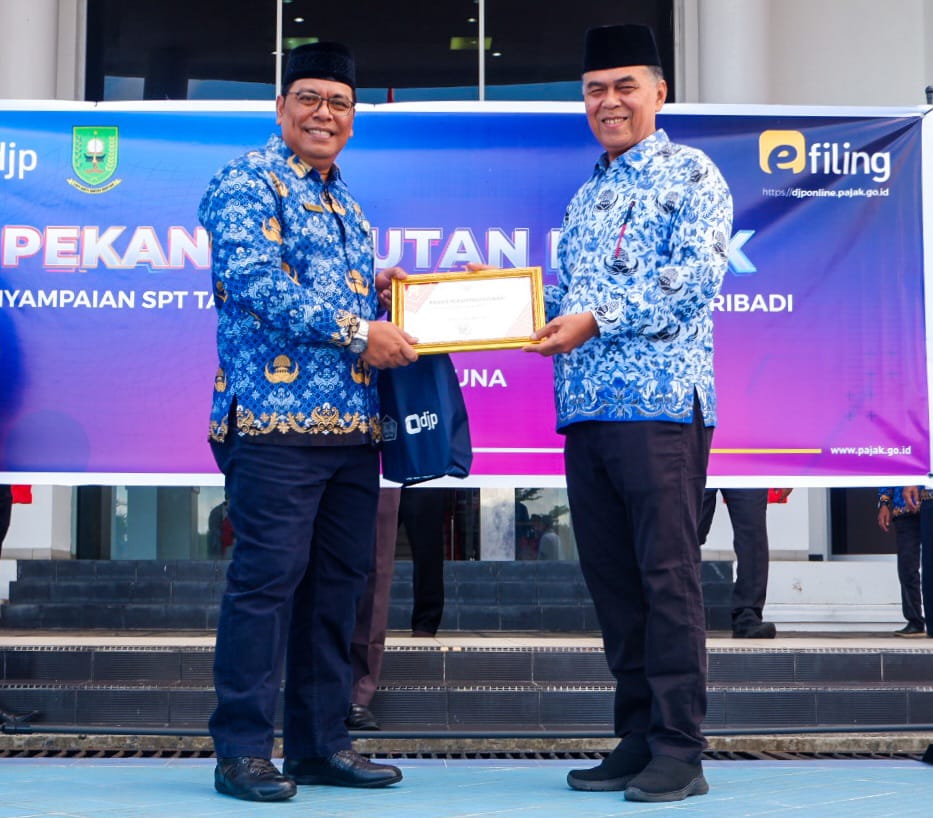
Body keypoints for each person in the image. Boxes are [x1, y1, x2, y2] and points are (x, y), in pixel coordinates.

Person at [199, 41, 418, 802]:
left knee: (338, 589)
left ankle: (321, 744)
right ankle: (241, 751)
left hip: (351, 427)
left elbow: (327, 291)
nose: (325, 114)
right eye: (310, 98)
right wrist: (360, 330)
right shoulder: (246, 182)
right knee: (264, 586)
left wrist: (383, 292)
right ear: (281, 106)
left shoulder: (345, 201)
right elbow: (256, 281)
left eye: (339, 103)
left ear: (353, 118)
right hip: (272, 425)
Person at [523, 24, 732, 803]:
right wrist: (501, 299)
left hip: (660, 409)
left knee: (666, 578)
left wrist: (595, 318)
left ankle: (680, 749)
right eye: (594, 90)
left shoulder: (691, 173)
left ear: (658, 92)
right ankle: (638, 736)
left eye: (623, 87)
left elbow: (693, 279)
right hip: (585, 409)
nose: (607, 102)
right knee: (613, 582)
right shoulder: (586, 195)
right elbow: (569, 305)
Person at [697, 488, 791, 639]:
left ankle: (748, 617)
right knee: (688, 529)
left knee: (752, 533)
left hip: (747, 472)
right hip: (693, 471)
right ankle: (676, 612)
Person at [348, 487, 402, 730]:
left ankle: (357, 693)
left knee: (376, 571)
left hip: (377, 468)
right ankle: (314, 688)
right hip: (299, 466)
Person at [879, 486, 931, 637]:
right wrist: (884, 503)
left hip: (929, 500)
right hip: (904, 509)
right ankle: (915, 621)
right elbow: (889, 474)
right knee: (907, 565)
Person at [398, 486, 449, 636]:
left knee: (428, 549)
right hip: (379, 476)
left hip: (423, 478)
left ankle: (426, 623)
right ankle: (362, 620)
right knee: (371, 549)